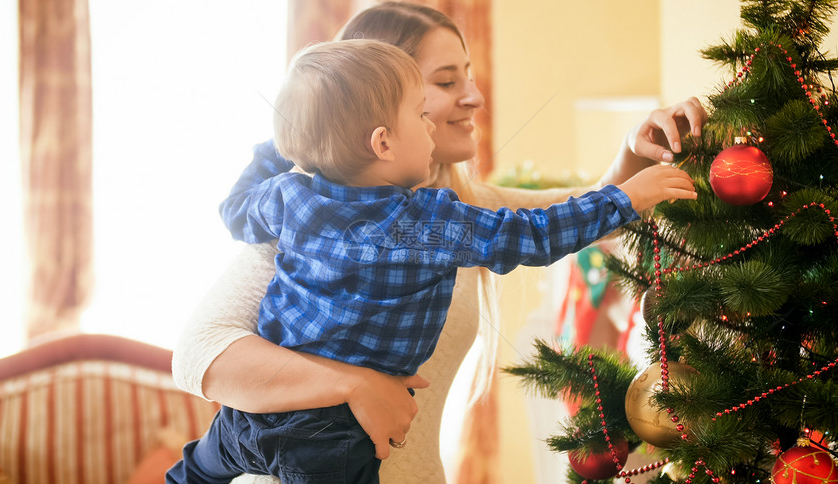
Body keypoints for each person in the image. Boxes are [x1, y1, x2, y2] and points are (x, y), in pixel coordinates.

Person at [171, 3, 709, 483]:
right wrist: (358, 386)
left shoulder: (408, 207)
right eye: (445, 82)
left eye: (469, 75)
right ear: (379, 123)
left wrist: (635, 155)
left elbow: (574, 215)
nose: (473, 95)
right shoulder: (367, 219)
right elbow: (199, 356)